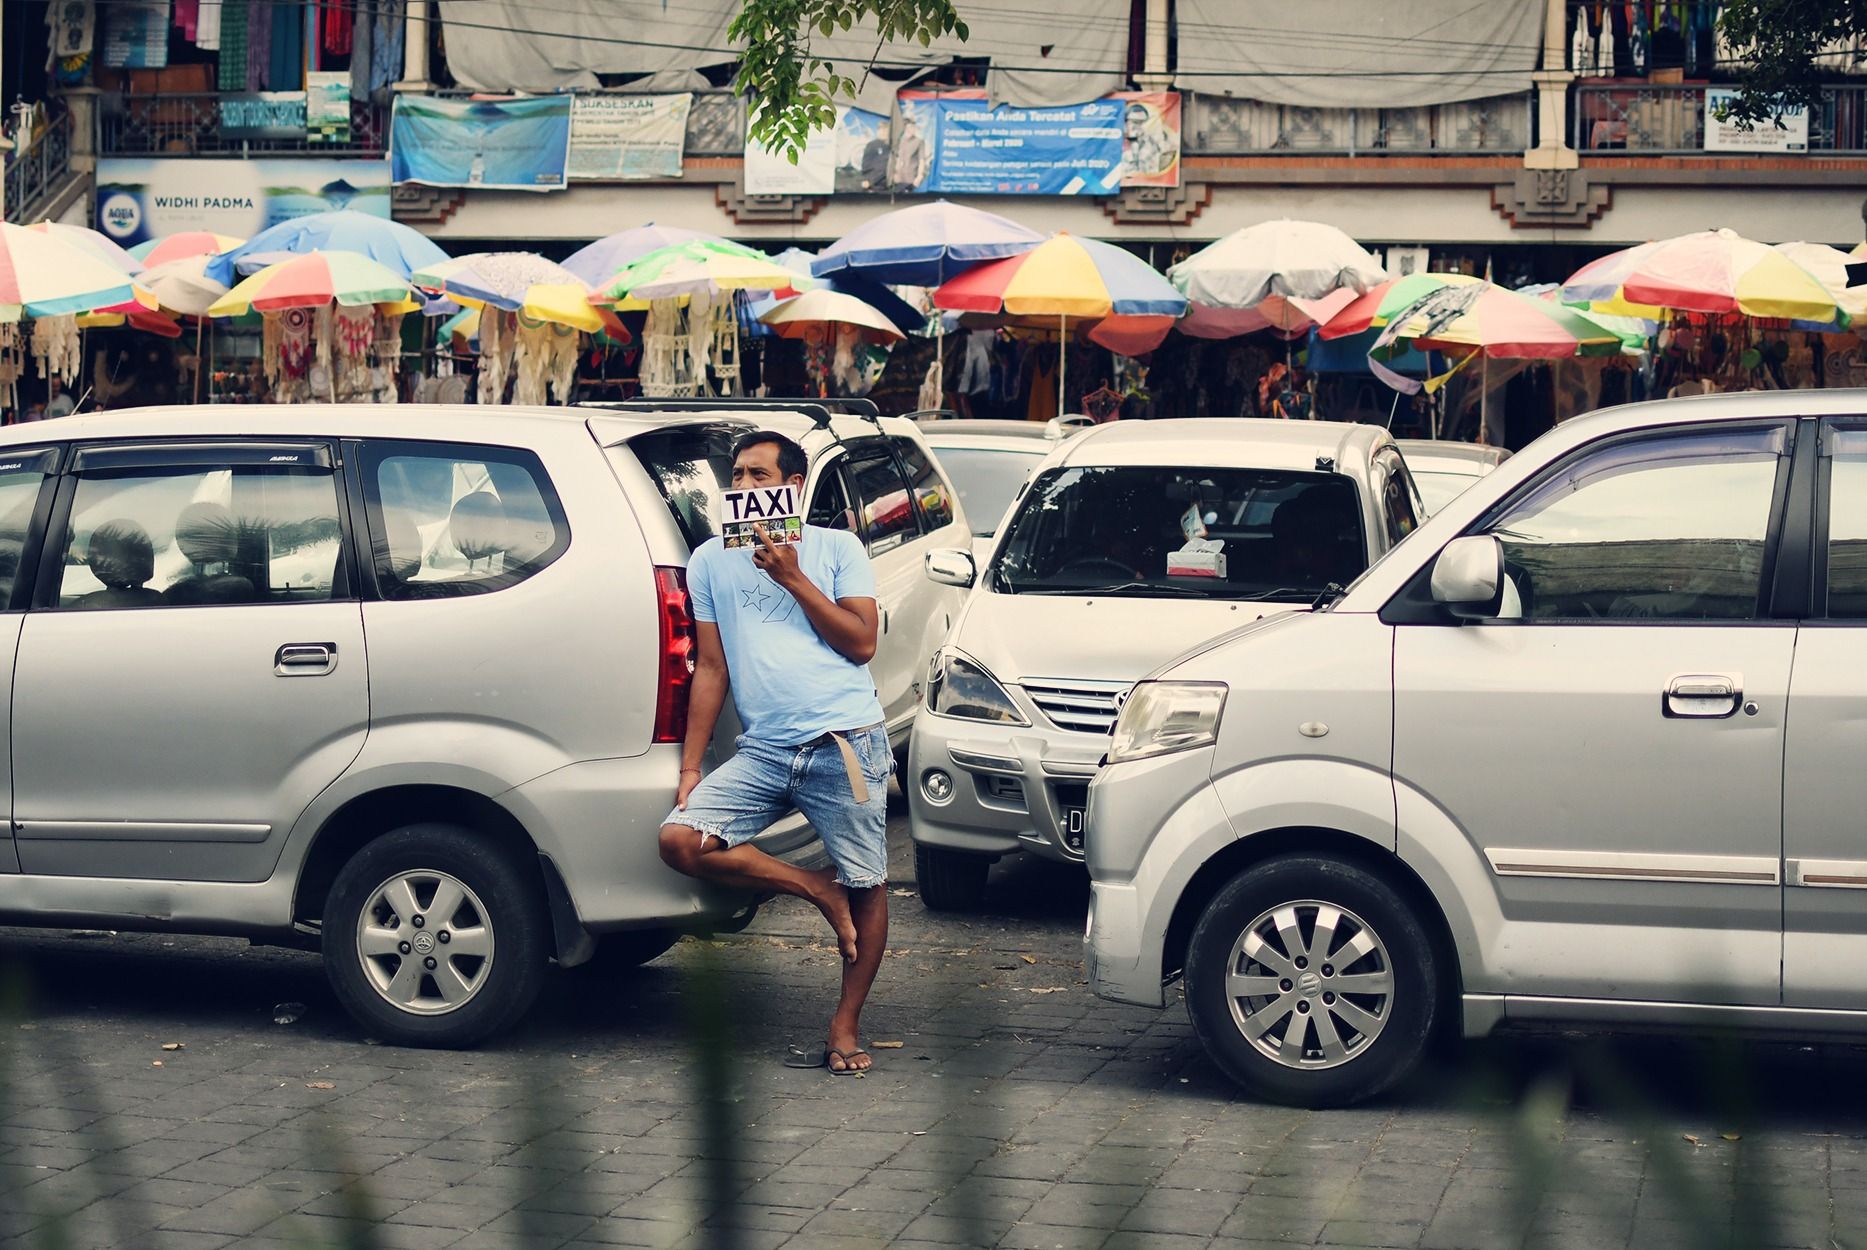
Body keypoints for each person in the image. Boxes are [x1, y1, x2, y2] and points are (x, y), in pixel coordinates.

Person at [658, 431, 891, 1076]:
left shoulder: (837, 548)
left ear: (792, 487)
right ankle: (816, 888)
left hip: (842, 739)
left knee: (869, 883)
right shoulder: (708, 561)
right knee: (681, 840)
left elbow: (862, 643)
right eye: (737, 476)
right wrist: (689, 765)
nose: (744, 487)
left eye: (759, 475)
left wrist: (793, 576)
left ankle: (845, 1024)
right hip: (764, 748)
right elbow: (711, 667)